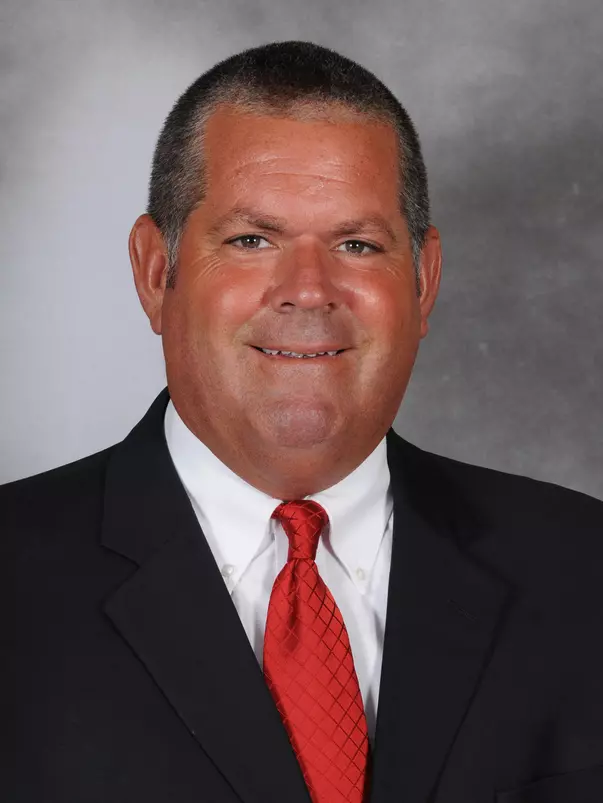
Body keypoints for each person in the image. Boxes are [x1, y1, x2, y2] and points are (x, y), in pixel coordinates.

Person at [5, 40, 603, 803]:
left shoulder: (582, 572)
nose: (309, 291)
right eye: (251, 240)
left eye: (357, 244)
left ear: (422, 283)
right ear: (157, 273)